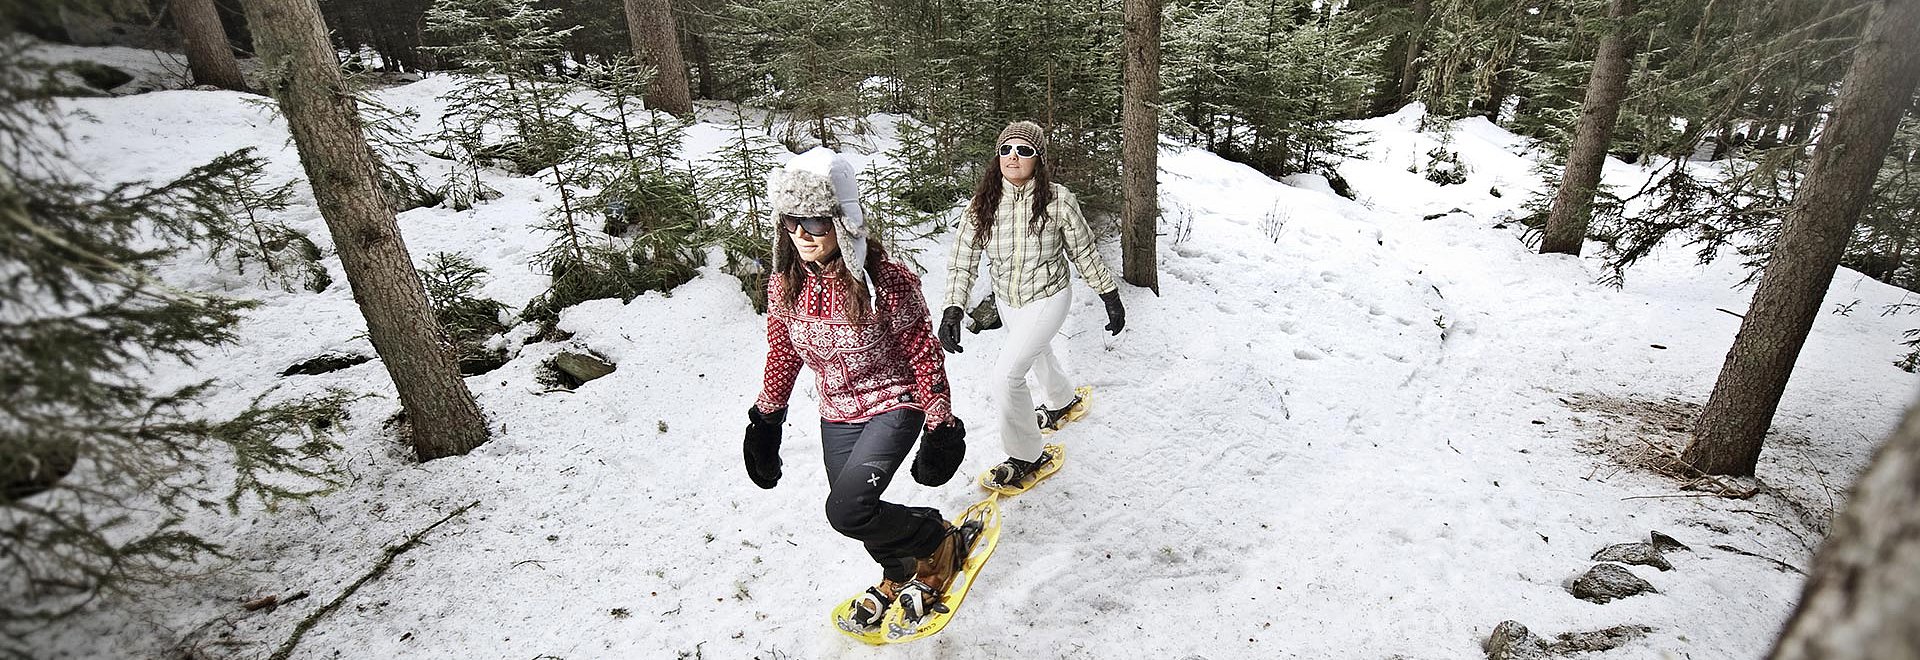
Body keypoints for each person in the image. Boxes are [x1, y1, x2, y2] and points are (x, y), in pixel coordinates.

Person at [742, 148, 970, 630]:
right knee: (861, 514)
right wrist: (766, 420)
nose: (801, 234)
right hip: (836, 412)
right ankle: (900, 569)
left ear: (842, 222)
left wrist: (940, 420)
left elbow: (920, 348)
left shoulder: (884, 279)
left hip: (893, 400)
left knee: (848, 510)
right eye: (791, 221)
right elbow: (783, 351)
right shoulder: (784, 285)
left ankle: (935, 538)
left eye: (816, 221)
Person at [937, 121, 1125, 493]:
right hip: (1009, 300)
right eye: (1007, 149)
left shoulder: (1058, 200)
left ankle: (1026, 454)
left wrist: (1109, 295)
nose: (1013, 157)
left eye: (1024, 151)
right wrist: (953, 308)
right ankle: (1060, 399)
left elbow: (1083, 252)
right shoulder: (982, 204)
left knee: (1006, 376)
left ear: (1038, 160)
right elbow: (963, 260)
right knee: (1035, 353)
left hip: (1049, 296)